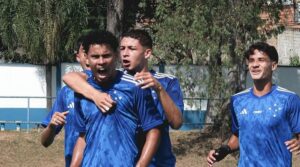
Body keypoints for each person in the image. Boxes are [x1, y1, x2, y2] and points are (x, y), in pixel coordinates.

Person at [63, 29, 184, 167]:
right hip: (126, 158)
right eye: (122, 48)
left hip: (158, 162)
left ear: (147, 53)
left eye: (131, 49)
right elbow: (69, 77)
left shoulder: (166, 81)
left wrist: (159, 89)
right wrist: (95, 95)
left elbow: (176, 123)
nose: (125, 53)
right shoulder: (108, 76)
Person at [206, 42, 300, 167]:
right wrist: (225, 150)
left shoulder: (289, 99)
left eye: (261, 60)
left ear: (273, 65)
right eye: (251, 60)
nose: (255, 65)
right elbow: (239, 134)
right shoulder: (237, 100)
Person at [40, 35, 91, 167]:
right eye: (85, 52)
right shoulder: (67, 92)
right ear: (78, 57)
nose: (90, 57)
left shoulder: (114, 89)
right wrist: (51, 126)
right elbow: (44, 142)